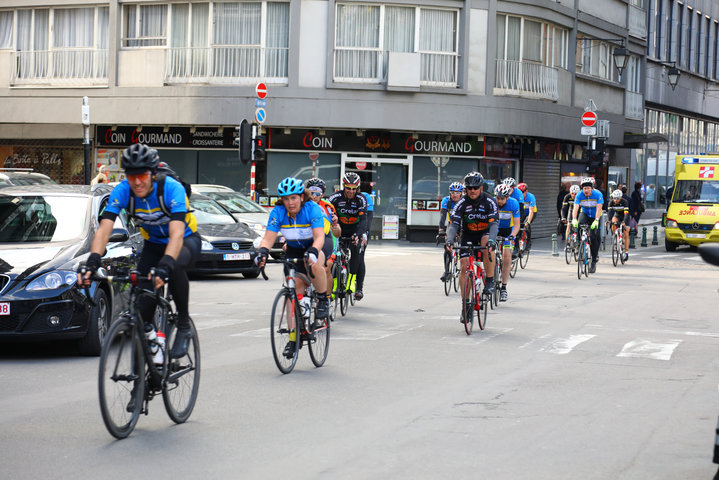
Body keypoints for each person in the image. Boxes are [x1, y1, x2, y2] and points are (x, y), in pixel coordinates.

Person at [78, 143, 201, 359]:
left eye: (142, 175)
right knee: (144, 303)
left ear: (152, 174)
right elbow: (104, 228)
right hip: (153, 244)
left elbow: (177, 235)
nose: (136, 181)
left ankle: (183, 325)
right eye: (131, 175)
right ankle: (151, 343)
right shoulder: (123, 190)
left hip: (185, 240)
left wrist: (165, 265)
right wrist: (93, 258)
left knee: (175, 265)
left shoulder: (172, 189)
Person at [255, 177, 330, 358]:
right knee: (291, 293)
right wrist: (263, 252)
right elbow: (268, 237)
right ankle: (293, 338)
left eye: (294, 198)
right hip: (294, 249)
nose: (290, 203)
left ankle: (322, 299)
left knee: (314, 262)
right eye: (286, 199)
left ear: (301, 197)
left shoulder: (311, 208)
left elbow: (319, 236)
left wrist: (313, 250)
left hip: (316, 244)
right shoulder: (278, 212)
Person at [446, 172, 498, 321]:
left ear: (481, 188)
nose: (472, 191)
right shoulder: (461, 203)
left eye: (475, 188)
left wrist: (492, 241)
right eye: (469, 188)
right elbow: (454, 224)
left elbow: (494, 224)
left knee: (487, 243)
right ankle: (466, 305)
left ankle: (489, 281)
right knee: (464, 267)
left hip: (485, 233)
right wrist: (449, 240)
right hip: (468, 235)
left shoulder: (490, 201)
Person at [328, 172, 369, 300]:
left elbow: (363, 220)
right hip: (339, 229)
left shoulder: (361, 199)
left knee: (356, 250)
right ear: (343, 186)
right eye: (348, 188)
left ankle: (352, 281)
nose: (351, 191)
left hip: (354, 229)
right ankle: (334, 284)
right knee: (332, 255)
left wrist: (359, 234)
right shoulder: (335, 197)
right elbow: (326, 214)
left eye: (354, 189)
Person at [306, 177, 342, 300]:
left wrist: (335, 225)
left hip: (326, 238)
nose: (314, 196)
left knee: (326, 267)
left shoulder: (328, 207)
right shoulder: (301, 205)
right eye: (312, 192)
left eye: (318, 193)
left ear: (322, 194)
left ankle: (326, 298)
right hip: (308, 238)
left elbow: (337, 233)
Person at [493, 183, 520, 302]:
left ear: (507, 198)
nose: (499, 201)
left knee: (507, 257)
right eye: (498, 198)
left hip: (507, 232)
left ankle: (503, 287)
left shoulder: (513, 203)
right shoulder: (492, 203)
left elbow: (517, 224)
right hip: (494, 230)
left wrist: (512, 236)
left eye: (502, 199)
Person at [572, 177, 603, 273]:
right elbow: (576, 207)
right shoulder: (579, 195)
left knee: (594, 237)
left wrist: (597, 220)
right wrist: (574, 219)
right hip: (585, 213)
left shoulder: (598, 194)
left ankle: (593, 261)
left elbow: (599, 208)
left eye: (588, 188)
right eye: (584, 188)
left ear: (592, 188)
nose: (586, 190)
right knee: (579, 224)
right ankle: (578, 244)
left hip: (595, 216)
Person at [438, 181, 464, 282]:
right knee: (447, 247)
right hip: (452, 225)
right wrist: (441, 230)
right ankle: (447, 271)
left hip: (463, 226)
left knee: (462, 246)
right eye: (453, 192)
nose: (455, 195)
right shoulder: (446, 201)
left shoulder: (464, 201)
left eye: (457, 192)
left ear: (461, 193)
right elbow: (442, 216)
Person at [356, 184, 374, 301]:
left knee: (359, 257)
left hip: (361, 229)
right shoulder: (341, 197)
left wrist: (365, 233)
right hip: (347, 228)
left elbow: (369, 217)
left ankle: (359, 288)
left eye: (356, 189)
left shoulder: (366, 197)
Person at [607, 189, 630, 261]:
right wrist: (609, 221)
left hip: (625, 216)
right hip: (617, 215)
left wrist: (624, 222)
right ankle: (615, 236)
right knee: (613, 221)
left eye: (617, 198)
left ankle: (626, 252)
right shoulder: (611, 202)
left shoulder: (624, 202)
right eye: (614, 198)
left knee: (626, 234)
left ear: (620, 198)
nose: (615, 200)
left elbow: (626, 214)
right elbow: (610, 213)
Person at [517, 182, 536, 251]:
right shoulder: (517, 196)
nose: (521, 194)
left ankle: (528, 242)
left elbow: (531, 211)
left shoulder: (531, 197)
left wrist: (528, 221)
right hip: (522, 212)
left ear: (526, 191)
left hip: (531, 212)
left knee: (527, 225)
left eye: (522, 192)